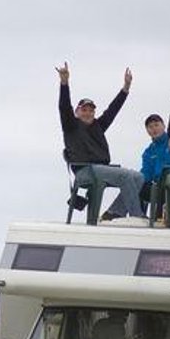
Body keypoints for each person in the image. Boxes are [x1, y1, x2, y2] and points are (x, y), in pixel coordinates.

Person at [57, 62, 146, 220]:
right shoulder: (71, 125)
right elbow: (64, 107)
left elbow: (113, 109)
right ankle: (136, 216)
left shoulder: (98, 125)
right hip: (85, 171)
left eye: (91, 110)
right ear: (77, 112)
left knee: (138, 177)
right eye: (84, 110)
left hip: (102, 169)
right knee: (125, 176)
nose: (88, 113)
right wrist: (64, 82)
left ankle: (114, 212)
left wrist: (126, 88)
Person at [140, 114, 170, 218]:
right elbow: (146, 175)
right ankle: (138, 216)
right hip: (156, 187)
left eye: (156, 125)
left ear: (163, 126)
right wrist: (136, 177)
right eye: (150, 127)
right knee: (133, 183)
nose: (154, 129)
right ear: (147, 131)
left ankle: (158, 216)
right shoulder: (148, 152)